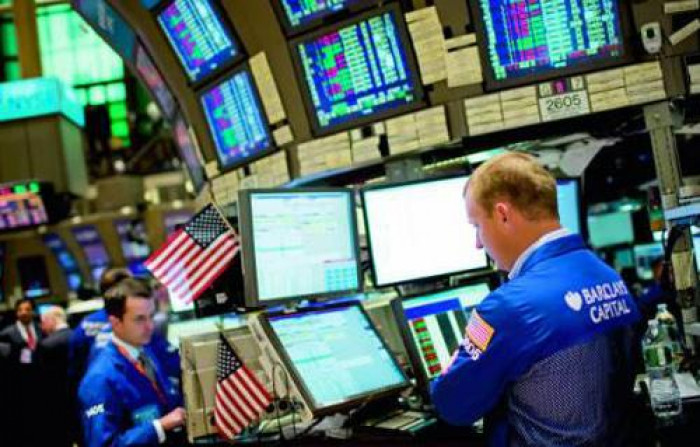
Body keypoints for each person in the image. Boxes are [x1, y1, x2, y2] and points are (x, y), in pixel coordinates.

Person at [431, 152, 641, 446]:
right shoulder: (608, 276)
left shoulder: (509, 307)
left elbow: (453, 404)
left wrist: (456, 361)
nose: (478, 243)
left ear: (503, 215)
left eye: (477, 225)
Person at [79, 277, 186, 446]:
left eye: (151, 316)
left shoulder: (146, 350)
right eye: (140, 319)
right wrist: (159, 427)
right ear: (115, 322)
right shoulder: (99, 379)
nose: (150, 326)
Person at [0, 299, 43, 447]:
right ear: (16, 313)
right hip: (18, 384)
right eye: (20, 310)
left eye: (27, 309)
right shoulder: (6, 333)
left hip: (40, 380)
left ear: (33, 311)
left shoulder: (40, 329)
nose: (24, 313)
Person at [38, 306, 75, 447]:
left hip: (58, 402)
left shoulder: (46, 345)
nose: (42, 327)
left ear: (52, 320)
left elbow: (42, 380)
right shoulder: (79, 337)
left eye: (43, 322)